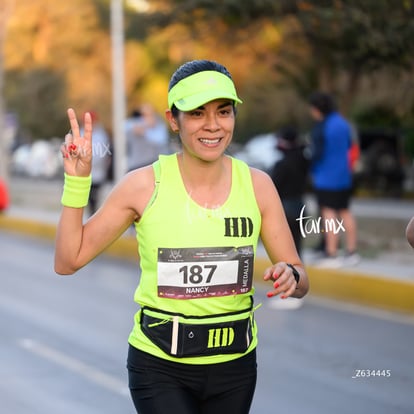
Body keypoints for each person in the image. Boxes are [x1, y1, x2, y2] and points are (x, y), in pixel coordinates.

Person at [54, 59, 309, 414]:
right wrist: (77, 182)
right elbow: (68, 261)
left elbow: (299, 274)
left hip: (235, 367)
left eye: (223, 112)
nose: (213, 126)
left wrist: (292, 276)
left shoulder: (258, 185)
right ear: (174, 120)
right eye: (197, 114)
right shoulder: (142, 185)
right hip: (159, 367)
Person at [308, 92, 359, 267]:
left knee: (329, 214)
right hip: (343, 176)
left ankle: (332, 254)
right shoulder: (343, 123)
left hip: (326, 177)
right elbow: (350, 147)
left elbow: (317, 153)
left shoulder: (322, 126)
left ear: (318, 109)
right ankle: (352, 252)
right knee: (345, 212)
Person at [269, 126, 310, 257]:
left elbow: (274, 187)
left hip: (285, 209)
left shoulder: (282, 164)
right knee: (297, 251)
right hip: (301, 207)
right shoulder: (304, 159)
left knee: (284, 252)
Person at [82, 111, 112, 216]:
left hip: (97, 173)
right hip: (84, 174)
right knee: (87, 200)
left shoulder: (101, 135)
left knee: (95, 198)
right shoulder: (81, 133)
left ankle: (93, 216)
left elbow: (102, 154)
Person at [125, 103, 169, 171]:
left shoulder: (159, 125)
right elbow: (124, 126)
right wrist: (143, 126)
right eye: (144, 114)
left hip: (152, 165)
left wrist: (145, 132)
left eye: (149, 115)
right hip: (136, 165)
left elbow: (160, 140)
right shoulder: (135, 123)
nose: (146, 117)